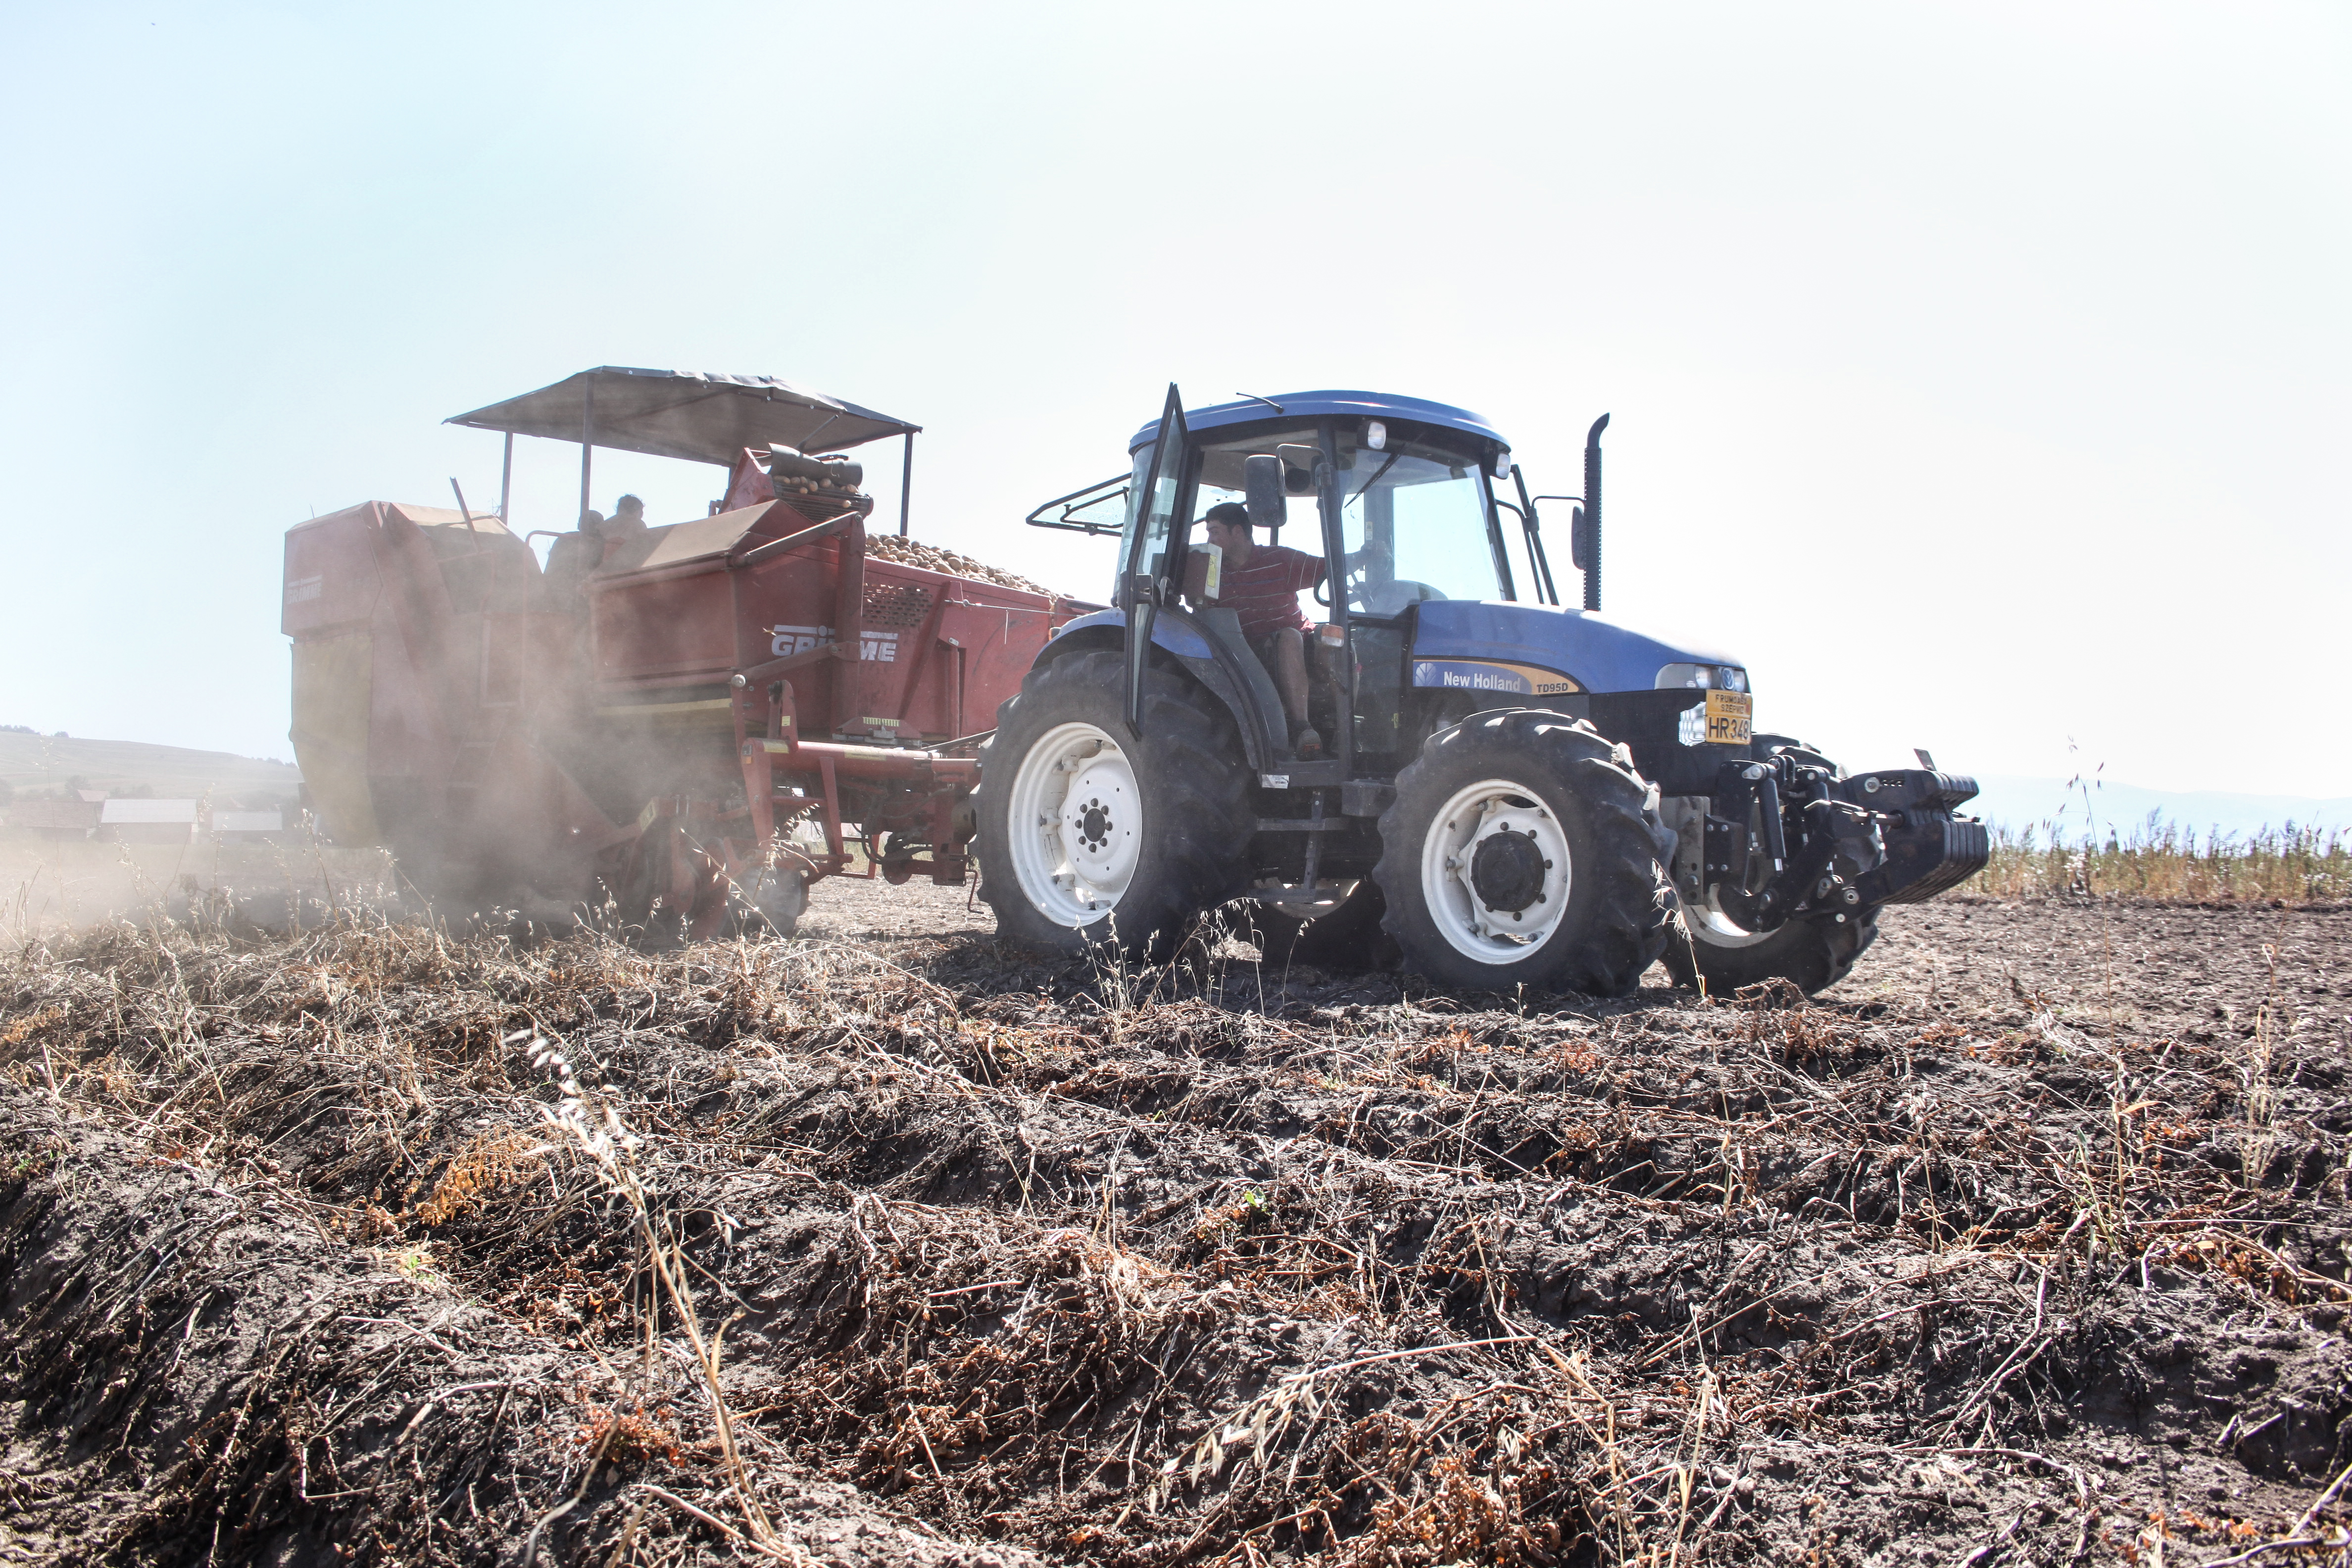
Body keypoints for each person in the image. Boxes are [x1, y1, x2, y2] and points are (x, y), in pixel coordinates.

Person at [1190, 501, 1326, 757]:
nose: (1209, 539)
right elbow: (1203, 612)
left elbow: (1327, 571)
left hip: (1297, 643)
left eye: (1215, 531)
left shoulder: (1279, 560)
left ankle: (1305, 726)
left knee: (1321, 641)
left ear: (1238, 532)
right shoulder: (1213, 573)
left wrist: (1364, 557)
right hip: (1248, 653)